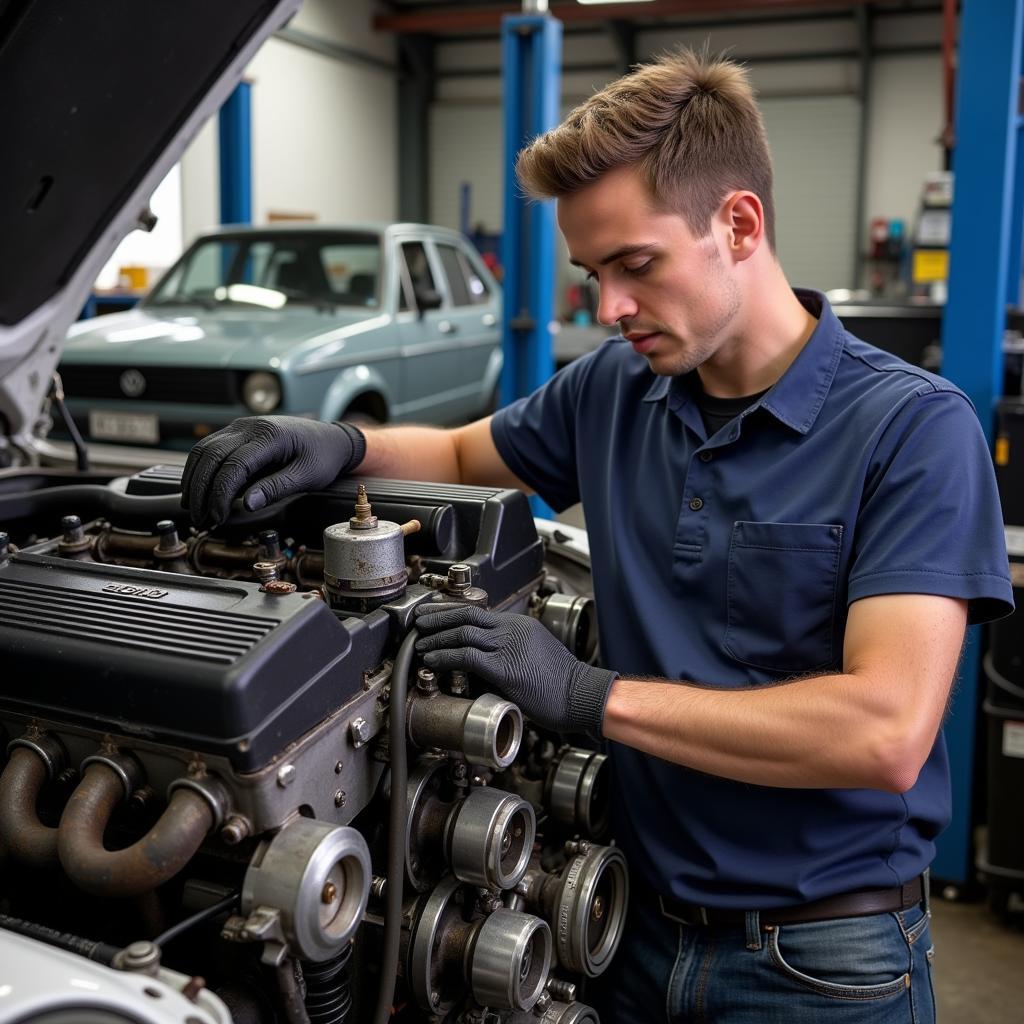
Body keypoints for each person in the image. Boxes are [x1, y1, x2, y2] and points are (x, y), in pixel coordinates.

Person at [182, 49, 1013, 1024]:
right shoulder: (616, 391)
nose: (608, 308)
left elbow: (882, 730)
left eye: (636, 265)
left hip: (818, 964)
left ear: (737, 224)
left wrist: (585, 693)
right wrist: (335, 441)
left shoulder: (913, 429)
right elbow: (456, 451)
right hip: (623, 932)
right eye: (592, 272)